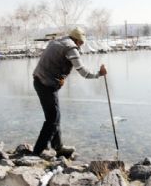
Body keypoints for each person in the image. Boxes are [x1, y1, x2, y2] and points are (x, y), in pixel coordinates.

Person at [32, 27, 107, 158]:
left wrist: (58, 78)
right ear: (77, 40)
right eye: (81, 42)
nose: (82, 45)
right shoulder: (71, 48)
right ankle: (38, 150)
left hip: (39, 81)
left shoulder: (57, 42)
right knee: (53, 118)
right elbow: (83, 72)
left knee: (54, 116)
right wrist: (99, 74)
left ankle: (58, 147)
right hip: (46, 85)